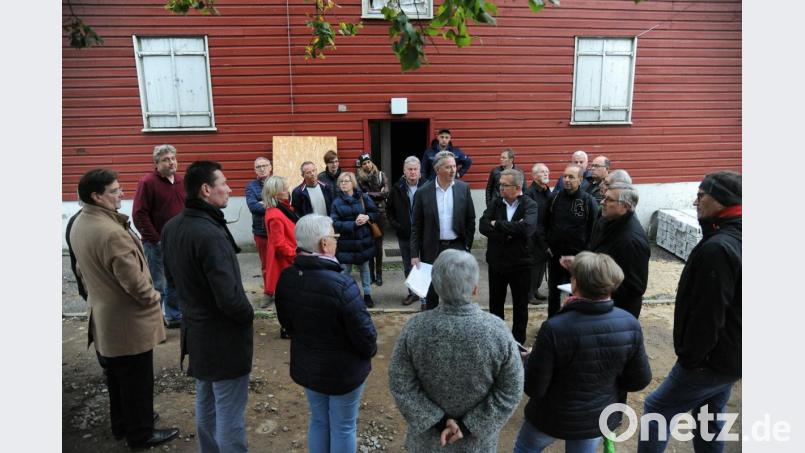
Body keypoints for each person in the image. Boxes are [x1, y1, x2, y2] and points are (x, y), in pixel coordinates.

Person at [69, 169, 179, 449]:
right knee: (136, 381)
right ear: (97, 196)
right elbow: (134, 282)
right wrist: (153, 296)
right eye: (116, 190)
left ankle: (122, 424)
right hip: (127, 321)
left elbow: (81, 270)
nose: (122, 194)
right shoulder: (110, 232)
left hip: (105, 316)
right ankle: (140, 433)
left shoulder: (80, 223)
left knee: (118, 378)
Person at [638, 171, 741, 453]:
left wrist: (692, 359)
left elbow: (708, 315)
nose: (695, 202)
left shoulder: (719, 248)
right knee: (710, 416)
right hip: (733, 356)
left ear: (722, 200)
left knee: (657, 409)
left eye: (701, 195)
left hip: (711, 360)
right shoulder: (736, 234)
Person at [514, 252, 652, 453]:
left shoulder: (555, 328)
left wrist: (531, 360)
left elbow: (534, 388)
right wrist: (605, 383)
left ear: (575, 284)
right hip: (596, 418)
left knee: (524, 449)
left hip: (551, 417)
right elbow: (639, 380)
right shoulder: (630, 324)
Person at [389, 249, 524, 452]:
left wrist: (438, 421)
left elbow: (400, 383)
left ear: (435, 285)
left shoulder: (415, 328)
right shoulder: (497, 331)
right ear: (475, 288)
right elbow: (511, 389)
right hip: (476, 445)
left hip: (428, 443)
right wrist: (468, 426)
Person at [161, 161, 254, 453]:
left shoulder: (172, 227)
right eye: (223, 183)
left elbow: (172, 281)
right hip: (222, 337)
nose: (229, 188)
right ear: (205, 189)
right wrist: (248, 314)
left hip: (196, 331)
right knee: (228, 410)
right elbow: (229, 297)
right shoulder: (210, 234)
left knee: (206, 402)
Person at [275, 214, 378, 453]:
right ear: (324, 243)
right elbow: (366, 335)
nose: (336, 241)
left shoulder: (287, 278)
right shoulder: (342, 285)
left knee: (319, 421)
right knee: (343, 427)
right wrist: (369, 352)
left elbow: (287, 323)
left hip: (309, 366)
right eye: (334, 236)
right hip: (343, 372)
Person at [479, 169, 539, 345]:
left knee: (521, 306)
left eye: (504, 185)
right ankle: (497, 340)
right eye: (500, 185)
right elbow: (483, 226)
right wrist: (511, 231)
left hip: (521, 264)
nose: (500, 188)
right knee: (495, 304)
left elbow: (528, 228)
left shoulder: (530, 204)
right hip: (497, 263)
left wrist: (497, 224)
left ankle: (517, 342)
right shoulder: (496, 203)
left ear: (517, 187)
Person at [411, 151, 476, 310]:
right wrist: (414, 254)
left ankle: (456, 323)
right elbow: (416, 226)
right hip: (432, 248)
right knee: (432, 291)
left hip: (457, 247)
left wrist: (466, 245)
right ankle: (433, 325)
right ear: (437, 169)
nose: (453, 170)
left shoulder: (463, 188)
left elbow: (470, 219)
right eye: (448, 167)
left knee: (457, 289)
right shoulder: (423, 193)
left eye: (454, 166)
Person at [132, 144, 185, 328]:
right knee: (158, 285)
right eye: (166, 159)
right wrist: (156, 239)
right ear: (156, 163)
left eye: (173, 158)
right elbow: (139, 214)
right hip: (156, 244)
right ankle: (154, 323)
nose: (171, 162)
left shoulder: (180, 180)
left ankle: (174, 316)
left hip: (177, 243)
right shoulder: (147, 182)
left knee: (176, 281)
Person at [545, 165, 599, 317]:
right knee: (554, 293)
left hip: (578, 258)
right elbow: (543, 224)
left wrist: (587, 254)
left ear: (580, 180)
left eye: (571, 177)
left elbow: (594, 229)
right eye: (565, 176)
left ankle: (572, 322)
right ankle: (553, 322)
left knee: (575, 293)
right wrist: (546, 245)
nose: (566, 180)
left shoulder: (588, 202)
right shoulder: (554, 198)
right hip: (555, 256)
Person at [331, 171, 380, 308]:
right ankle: (342, 296)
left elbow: (375, 213)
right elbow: (334, 223)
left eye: (346, 181)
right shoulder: (336, 202)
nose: (343, 184)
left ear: (353, 183)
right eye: (341, 182)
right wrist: (353, 224)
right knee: (345, 270)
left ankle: (368, 295)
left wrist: (367, 217)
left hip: (363, 240)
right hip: (346, 242)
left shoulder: (363, 197)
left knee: (365, 269)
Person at [386, 156, 426, 305]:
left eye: (415, 169)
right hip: (405, 235)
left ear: (419, 171)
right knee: (408, 266)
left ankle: (424, 297)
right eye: (410, 169)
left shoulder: (427, 186)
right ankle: (412, 293)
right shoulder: (397, 188)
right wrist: (398, 226)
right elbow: (389, 210)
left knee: (422, 266)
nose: (413, 172)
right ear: (404, 171)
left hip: (423, 235)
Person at [261, 176, 298, 318]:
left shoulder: (282, 208)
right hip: (285, 261)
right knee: (288, 297)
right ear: (275, 193)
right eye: (284, 188)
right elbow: (279, 244)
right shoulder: (276, 215)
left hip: (288, 258)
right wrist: (295, 255)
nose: (287, 190)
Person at [356, 153, 389, 286]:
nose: (367, 165)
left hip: (380, 214)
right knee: (369, 245)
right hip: (367, 214)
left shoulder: (381, 175)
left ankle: (379, 274)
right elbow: (360, 195)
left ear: (372, 162)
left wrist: (368, 194)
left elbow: (386, 193)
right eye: (364, 163)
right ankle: (371, 274)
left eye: (368, 162)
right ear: (361, 166)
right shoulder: (359, 179)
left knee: (378, 246)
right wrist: (377, 194)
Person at [523, 163, 552, 303]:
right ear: (534, 176)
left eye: (547, 171)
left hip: (544, 234)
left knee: (541, 265)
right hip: (533, 237)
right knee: (533, 266)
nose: (546, 174)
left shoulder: (546, 190)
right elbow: (533, 221)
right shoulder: (530, 193)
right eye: (542, 172)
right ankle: (528, 293)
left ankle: (535, 290)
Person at [245, 157, 272, 293]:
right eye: (258, 167)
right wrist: (271, 205)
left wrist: (263, 203)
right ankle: (268, 292)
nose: (262, 169)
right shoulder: (251, 186)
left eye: (264, 166)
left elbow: (284, 201)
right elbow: (253, 207)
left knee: (281, 262)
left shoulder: (277, 183)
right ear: (255, 170)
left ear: (270, 167)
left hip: (277, 230)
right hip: (261, 232)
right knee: (266, 264)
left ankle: (282, 291)